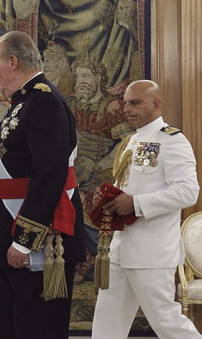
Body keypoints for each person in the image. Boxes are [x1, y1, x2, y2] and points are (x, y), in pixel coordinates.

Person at [0, 31, 85, 339]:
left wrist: (24, 240)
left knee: (37, 328)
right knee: (17, 326)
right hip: (17, 228)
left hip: (38, 240)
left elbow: (50, 174)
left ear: (13, 62)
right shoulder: (27, 100)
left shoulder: (43, 101)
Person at [92, 80, 202, 339]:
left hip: (151, 253)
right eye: (126, 102)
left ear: (156, 104)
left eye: (135, 102)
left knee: (166, 321)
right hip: (120, 249)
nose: (126, 108)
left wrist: (136, 204)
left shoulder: (172, 140)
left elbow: (189, 191)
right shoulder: (132, 140)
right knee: (107, 324)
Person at [67, 56, 131, 283]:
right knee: (66, 192)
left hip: (105, 168)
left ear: (98, 78)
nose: (80, 81)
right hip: (77, 166)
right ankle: (82, 255)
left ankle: (99, 258)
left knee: (83, 195)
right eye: (78, 76)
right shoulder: (71, 104)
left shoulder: (111, 105)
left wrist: (100, 164)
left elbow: (127, 143)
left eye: (86, 75)